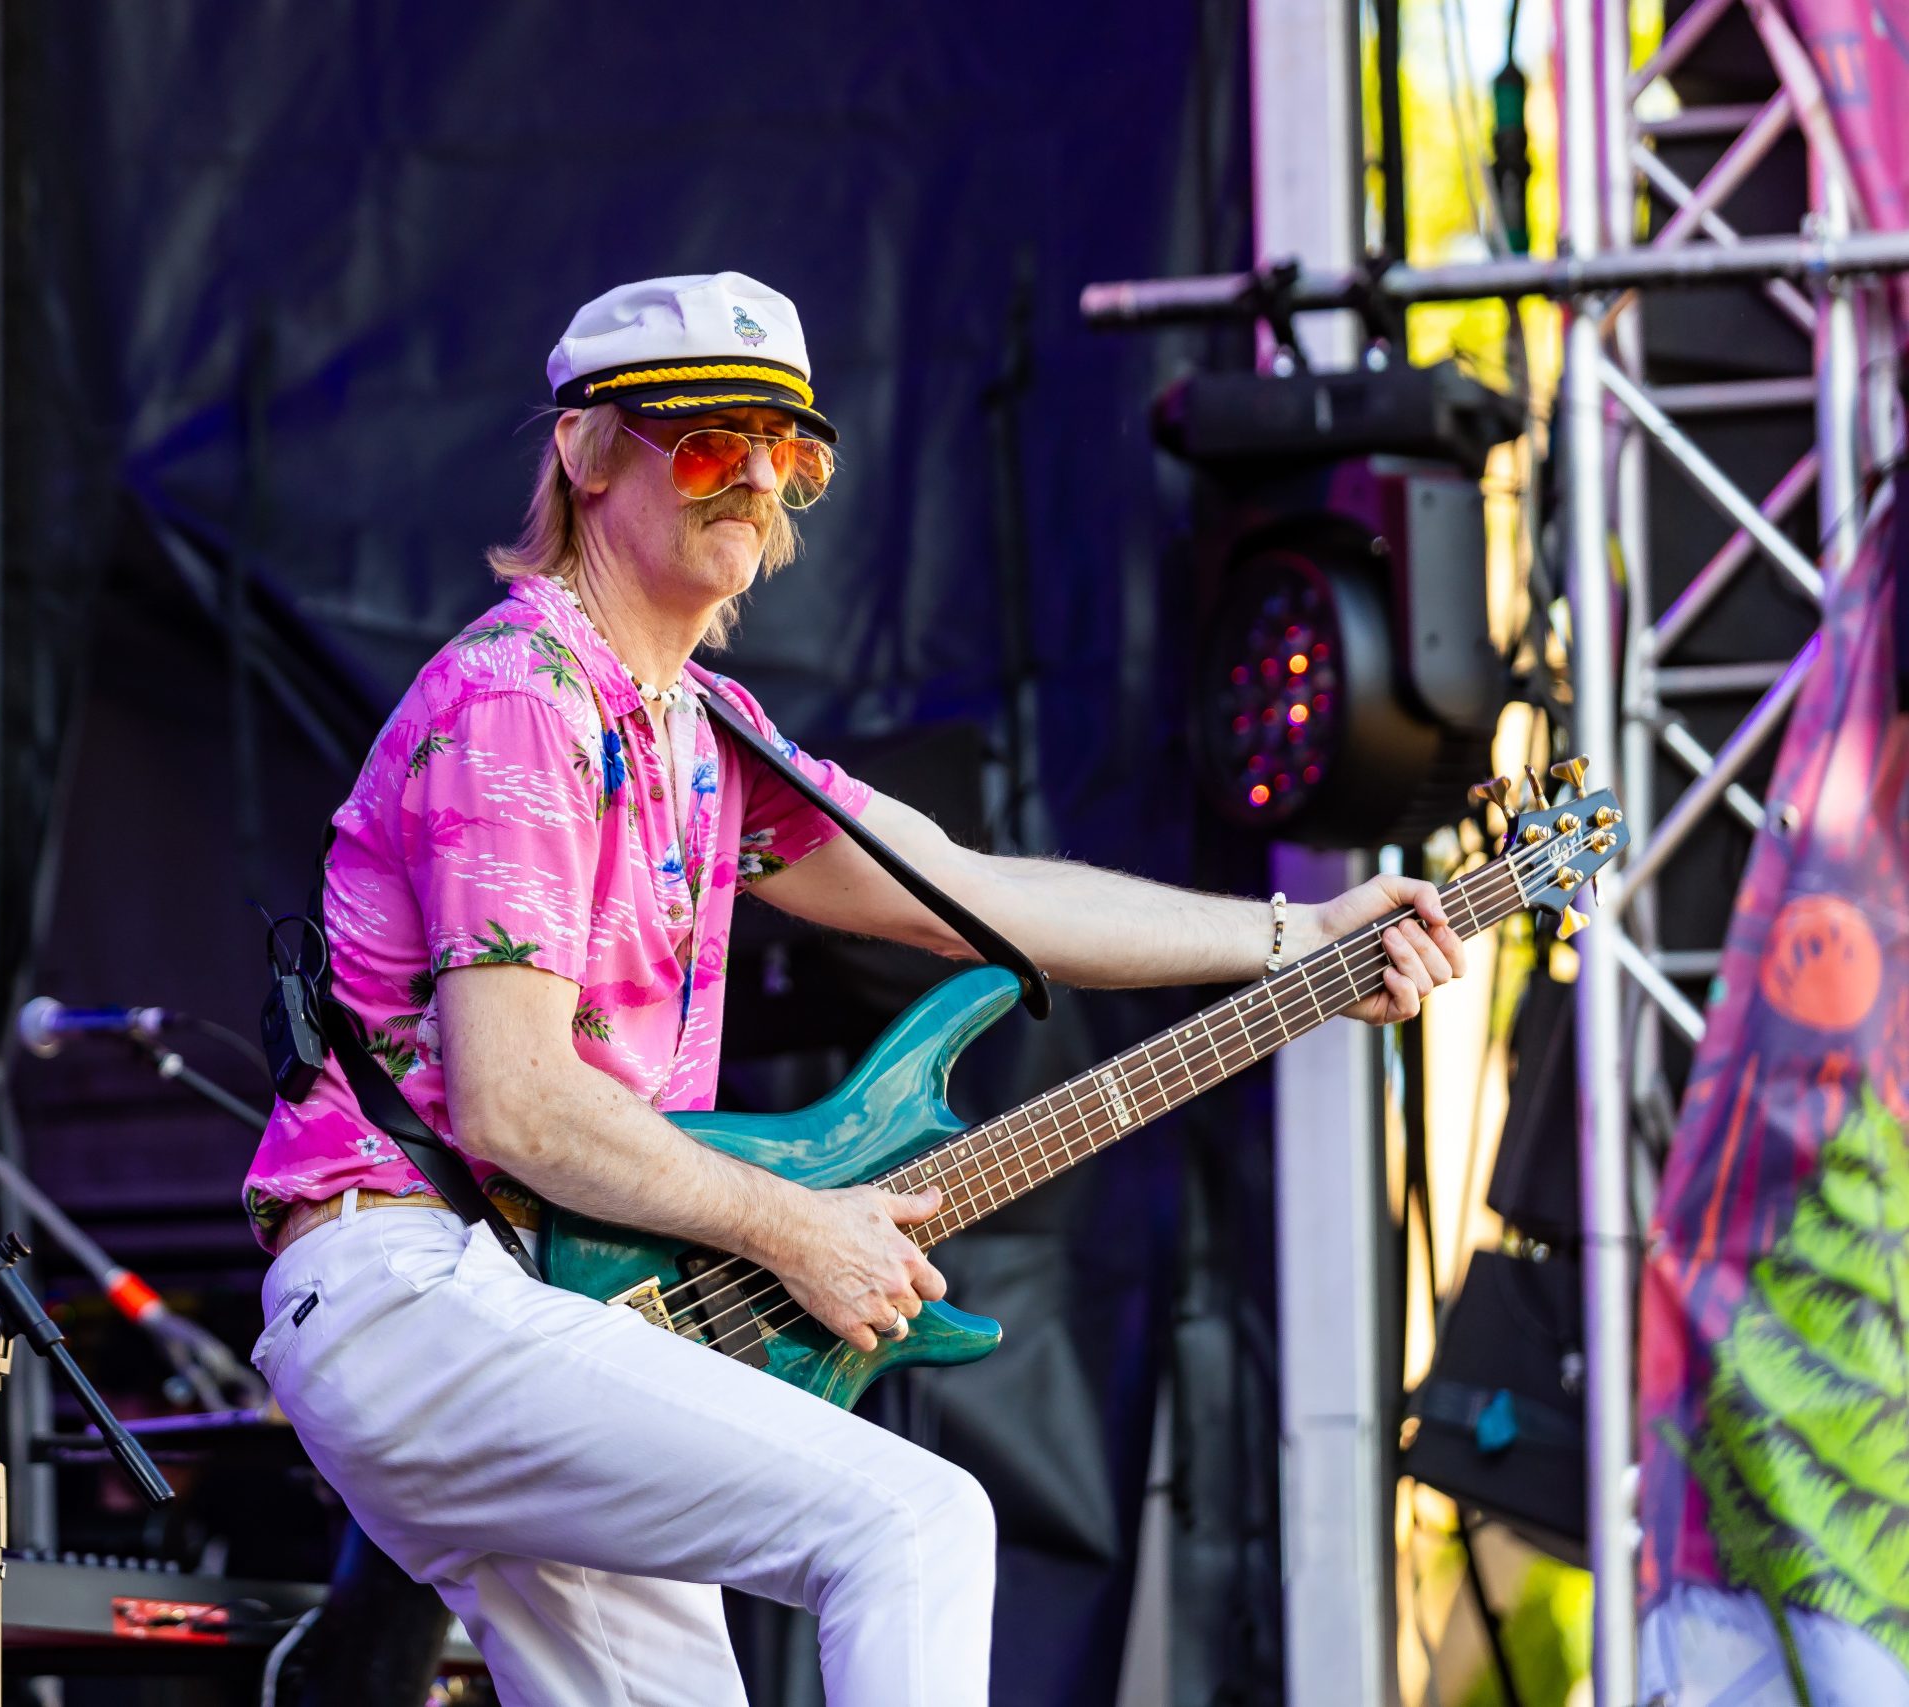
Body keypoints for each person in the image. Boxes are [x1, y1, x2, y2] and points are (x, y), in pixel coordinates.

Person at [241, 271, 1468, 1706]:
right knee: (913, 1520)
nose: (760, 480)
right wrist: (795, 1227)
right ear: (584, 452)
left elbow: (974, 892)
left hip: (548, 1305)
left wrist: (1296, 934)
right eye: (712, 442)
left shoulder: (704, 733)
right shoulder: (524, 695)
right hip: (419, 1292)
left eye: (790, 451)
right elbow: (517, 1102)